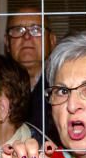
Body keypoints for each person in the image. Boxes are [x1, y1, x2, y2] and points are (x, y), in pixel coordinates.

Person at [4, 7, 59, 143]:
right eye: (18, 30)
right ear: (7, 42)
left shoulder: (65, 83)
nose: (26, 37)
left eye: (36, 30)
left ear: (51, 40)